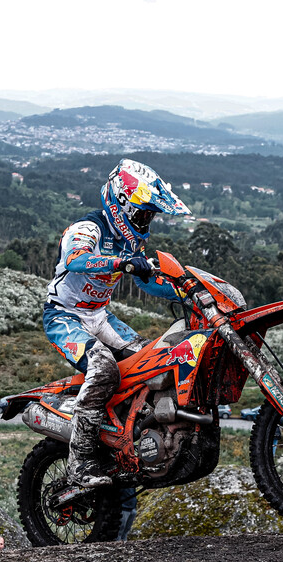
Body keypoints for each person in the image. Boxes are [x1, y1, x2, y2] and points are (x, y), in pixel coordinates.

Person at [44, 159, 190, 487]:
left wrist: (184, 289)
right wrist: (122, 262)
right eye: (142, 214)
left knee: (154, 366)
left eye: (149, 215)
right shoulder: (89, 228)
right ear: (122, 204)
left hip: (99, 315)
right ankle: (80, 462)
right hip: (64, 316)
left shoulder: (130, 240)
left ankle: (129, 438)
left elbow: (144, 280)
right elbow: (75, 260)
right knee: (105, 370)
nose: (145, 221)